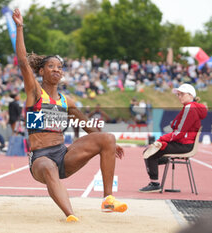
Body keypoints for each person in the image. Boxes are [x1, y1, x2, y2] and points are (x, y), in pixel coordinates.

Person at [12, 9, 127, 222]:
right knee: (48, 167)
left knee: (108, 138)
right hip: (40, 159)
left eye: (59, 67)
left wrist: (109, 145)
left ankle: (108, 198)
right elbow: (22, 61)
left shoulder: (66, 102)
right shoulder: (35, 92)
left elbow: (87, 126)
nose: (56, 70)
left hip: (63, 154)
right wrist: (20, 27)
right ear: (42, 72)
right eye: (51, 66)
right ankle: (70, 214)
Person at [139, 83, 208, 192]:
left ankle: (155, 183)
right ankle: (162, 167)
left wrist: (161, 139)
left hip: (184, 145)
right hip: (184, 143)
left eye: (182, 94)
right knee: (150, 153)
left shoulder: (190, 108)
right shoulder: (190, 107)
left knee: (149, 152)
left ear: (190, 95)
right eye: (178, 95)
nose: (179, 96)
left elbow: (179, 132)